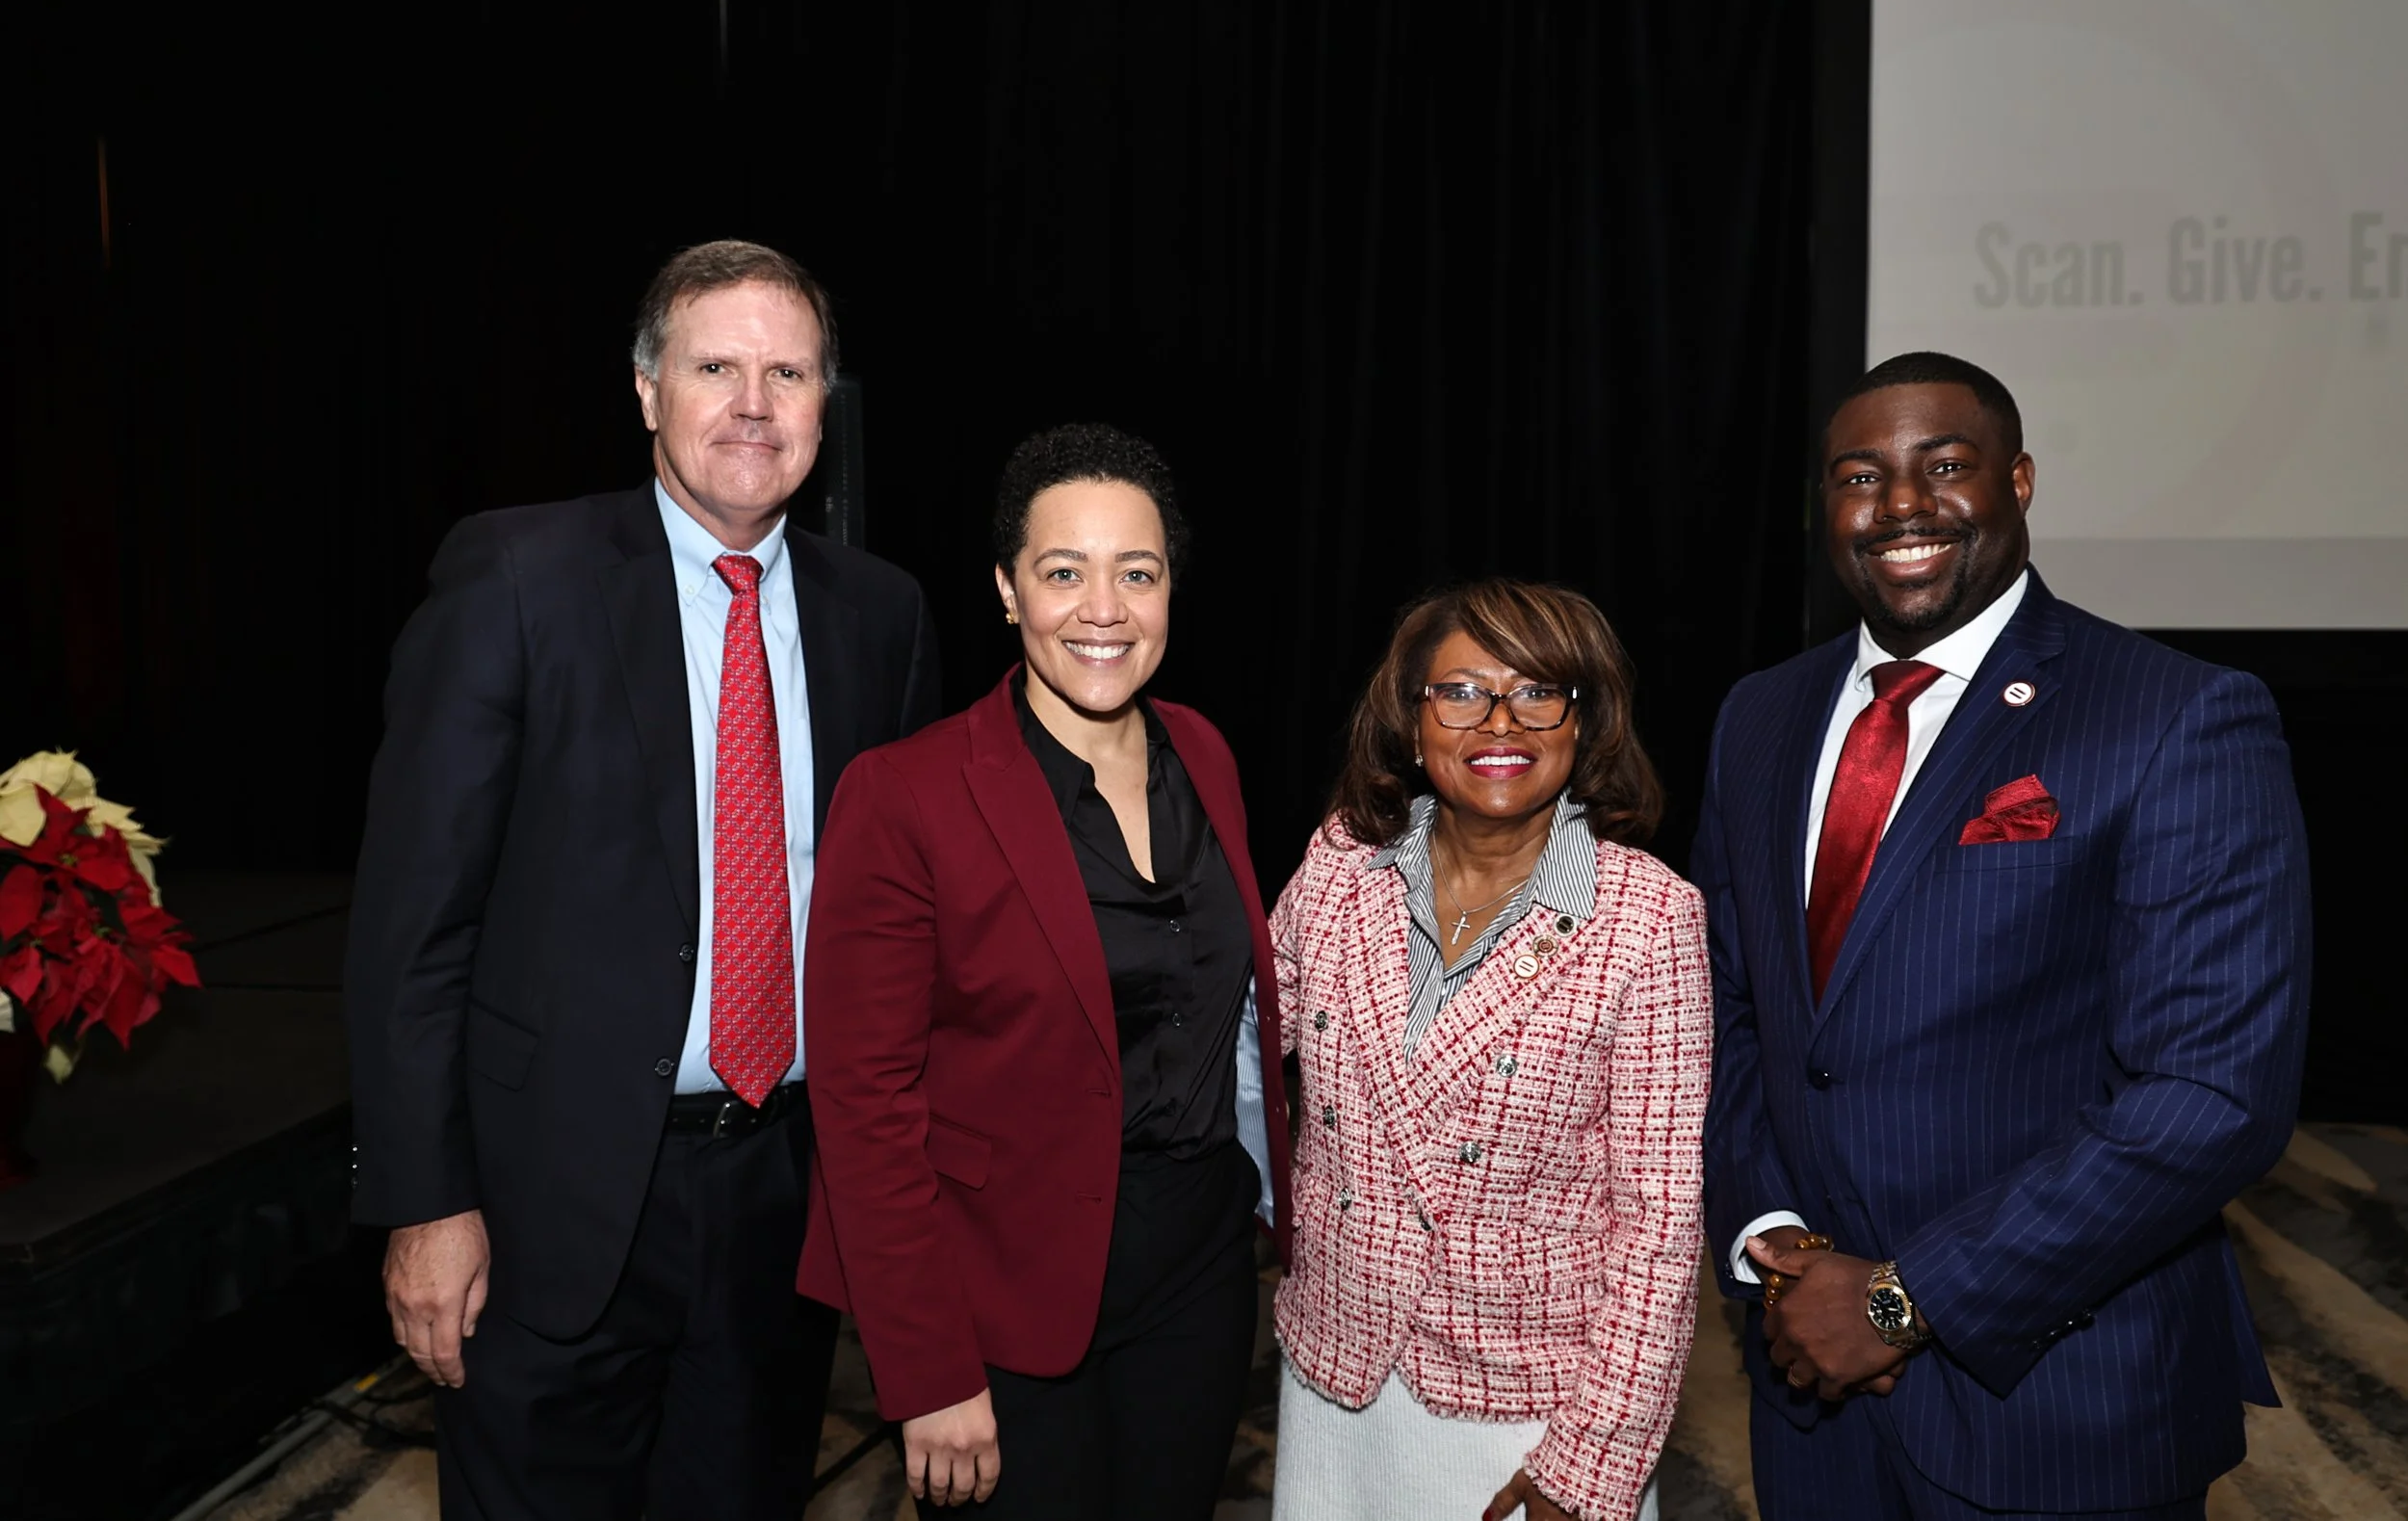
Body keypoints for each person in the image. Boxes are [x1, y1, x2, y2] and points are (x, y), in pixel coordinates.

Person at [344, 240, 941, 1520]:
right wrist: (426, 1199)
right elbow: (412, 926)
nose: (754, 402)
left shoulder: (880, 616)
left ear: (825, 406)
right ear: (644, 388)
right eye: (715, 365)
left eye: (789, 372)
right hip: (542, 1201)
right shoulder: (515, 580)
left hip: (779, 1196)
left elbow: (899, 932)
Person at [1696, 352, 2311, 1519]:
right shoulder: (1759, 714)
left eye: (1944, 465)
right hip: (1806, 1392)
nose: (1902, 505)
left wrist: (1896, 1299)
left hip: (2055, 1396)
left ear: (2018, 481)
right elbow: (1732, 1010)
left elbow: (2210, 1096)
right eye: (1860, 476)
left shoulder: (2173, 712)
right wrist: (1773, 1236)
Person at [800, 423, 1293, 1518]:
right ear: (1007, 590)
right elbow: (862, 1104)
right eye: (1063, 571)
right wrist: (927, 1368)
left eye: (1138, 572)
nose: (1102, 607)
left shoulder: (1204, 752)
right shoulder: (905, 794)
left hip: (1197, 1271)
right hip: (1001, 1291)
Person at [1269, 580, 1711, 1521]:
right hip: (1334, 1370)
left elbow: (1659, 1224)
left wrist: (1592, 1462)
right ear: (1412, 716)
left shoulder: (1647, 916)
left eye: (1537, 690)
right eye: (1460, 691)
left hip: (1527, 1407)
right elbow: (1243, 1038)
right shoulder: (1341, 861)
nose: (1497, 720)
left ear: (1584, 720)